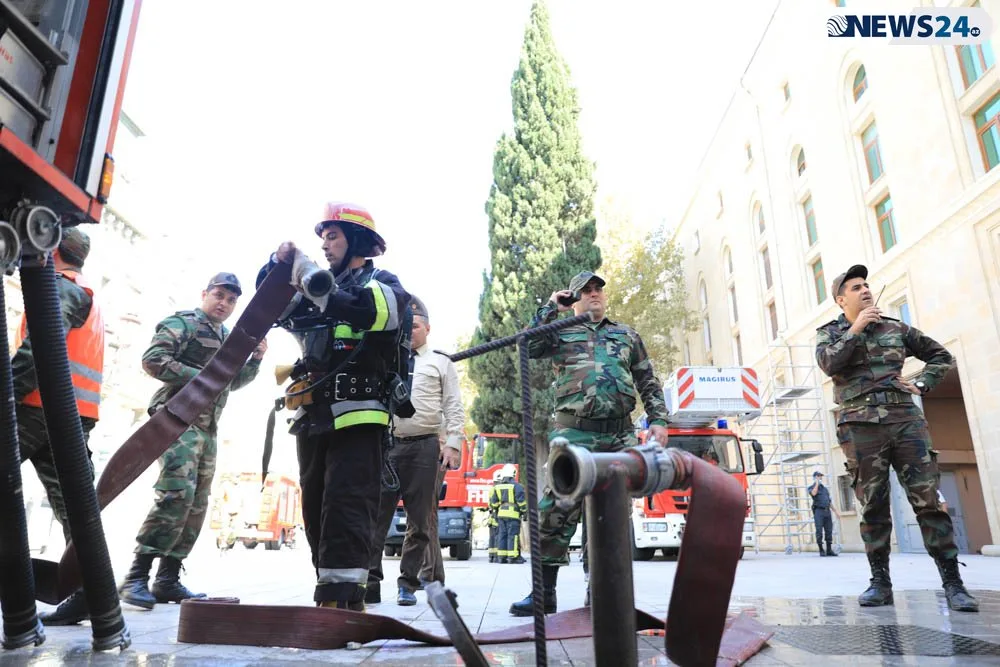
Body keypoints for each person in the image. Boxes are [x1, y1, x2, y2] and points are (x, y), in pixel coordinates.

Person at [263, 201, 410, 611]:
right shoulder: (315, 289)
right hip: (313, 415)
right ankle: (332, 590)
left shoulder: (383, 282)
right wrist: (278, 265)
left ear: (357, 241)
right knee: (314, 506)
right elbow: (272, 304)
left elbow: (368, 308)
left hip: (360, 413)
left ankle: (343, 601)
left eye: (333, 236)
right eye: (322, 238)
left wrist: (319, 284)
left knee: (348, 503)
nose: (325, 245)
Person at [815, 264, 977, 612]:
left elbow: (940, 356)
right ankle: (880, 584)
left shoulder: (896, 328)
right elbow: (829, 364)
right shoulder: (830, 333)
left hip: (906, 423)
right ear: (841, 299)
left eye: (867, 285)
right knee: (873, 506)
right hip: (860, 427)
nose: (865, 290)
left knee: (928, 503)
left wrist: (921, 384)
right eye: (856, 287)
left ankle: (953, 584)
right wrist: (856, 330)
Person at [509, 271, 669, 616]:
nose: (594, 294)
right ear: (574, 298)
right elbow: (526, 345)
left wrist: (658, 420)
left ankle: (601, 592)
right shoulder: (559, 330)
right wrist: (551, 308)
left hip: (618, 436)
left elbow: (647, 379)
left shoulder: (625, 334)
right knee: (557, 509)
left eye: (598, 289)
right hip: (573, 433)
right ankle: (543, 593)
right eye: (586, 290)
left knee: (611, 512)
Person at [118, 273, 266, 610]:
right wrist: (200, 378)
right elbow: (153, 359)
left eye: (231, 300)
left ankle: (167, 578)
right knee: (176, 492)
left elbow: (230, 382)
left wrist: (255, 359)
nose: (223, 304)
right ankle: (136, 576)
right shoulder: (183, 323)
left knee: (197, 502)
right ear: (205, 294)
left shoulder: (229, 339)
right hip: (176, 419)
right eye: (218, 295)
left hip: (207, 428)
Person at [11, 229, 104, 625]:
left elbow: (37, 353)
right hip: (69, 413)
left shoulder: (62, 288)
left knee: (76, 508)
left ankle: (89, 590)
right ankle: (91, 591)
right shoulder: (85, 291)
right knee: (75, 508)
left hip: (38, 408)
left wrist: (6, 392)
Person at [367, 295, 465, 605]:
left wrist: (453, 444)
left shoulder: (440, 361)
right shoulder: (387, 359)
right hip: (388, 447)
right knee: (376, 516)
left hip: (425, 447)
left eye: (417, 325)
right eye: (407, 325)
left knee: (420, 521)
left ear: (428, 328)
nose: (411, 330)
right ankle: (369, 581)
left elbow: (453, 407)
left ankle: (407, 584)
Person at [490, 464, 527, 565]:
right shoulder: (517, 486)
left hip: (501, 515)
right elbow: (521, 502)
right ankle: (512, 557)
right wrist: (524, 511)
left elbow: (493, 503)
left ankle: (502, 557)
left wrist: (499, 508)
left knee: (502, 535)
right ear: (513, 474)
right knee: (513, 535)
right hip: (513, 514)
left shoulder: (497, 487)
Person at [809, 471, 837, 557]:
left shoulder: (825, 489)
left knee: (829, 531)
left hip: (827, 511)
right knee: (819, 531)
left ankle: (829, 550)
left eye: (820, 476)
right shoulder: (811, 487)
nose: (820, 478)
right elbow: (814, 493)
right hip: (818, 511)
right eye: (818, 476)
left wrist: (836, 511)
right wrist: (816, 483)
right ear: (814, 477)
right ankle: (821, 550)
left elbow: (829, 501)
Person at [487, 469, 502, 563]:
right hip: (497, 515)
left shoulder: (492, 488)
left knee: (492, 537)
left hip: (492, 516)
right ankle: (496, 556)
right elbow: (495, 502)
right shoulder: (497, 489)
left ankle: (491, 556)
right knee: (497, 536)